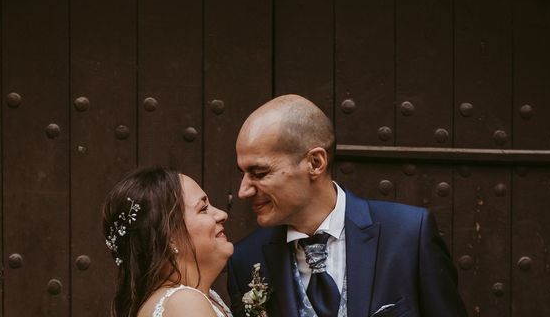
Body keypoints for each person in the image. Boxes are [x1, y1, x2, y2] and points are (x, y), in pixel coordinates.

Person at [227, 94, 467, 317]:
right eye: (243, 174)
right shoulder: (245, 260)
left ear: (315, 162)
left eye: (259, 173)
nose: (243, 191)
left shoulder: (410, 235)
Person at [102, 167, 234, 317]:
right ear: (169, 236)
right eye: (203, 208)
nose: (222, 215)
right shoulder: (185, 303)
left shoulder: (196, 297)